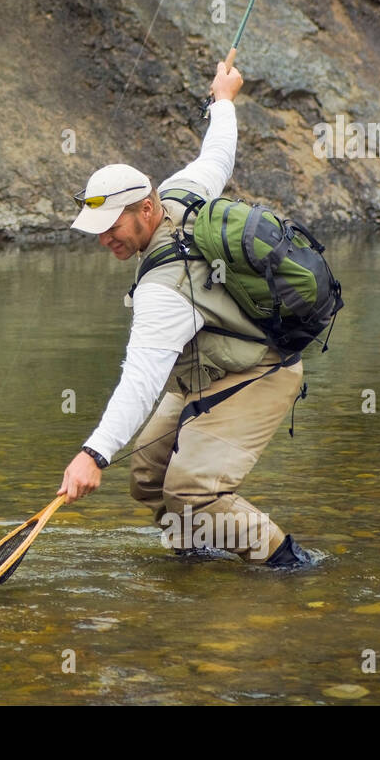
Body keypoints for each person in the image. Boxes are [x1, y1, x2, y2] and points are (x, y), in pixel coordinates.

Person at [58, 60, 311, 567]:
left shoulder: (163, 290)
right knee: (150, 478)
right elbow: (217, 154)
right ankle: (196, 565)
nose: (105, 238)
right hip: (208, 371)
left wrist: (93, 454)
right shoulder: (182, 190)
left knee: (196, 490)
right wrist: (223, 100)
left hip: (260, 371)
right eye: (97, 228)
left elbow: (142, 378)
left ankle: (291, 567)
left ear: (146, 210)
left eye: (113, 226)